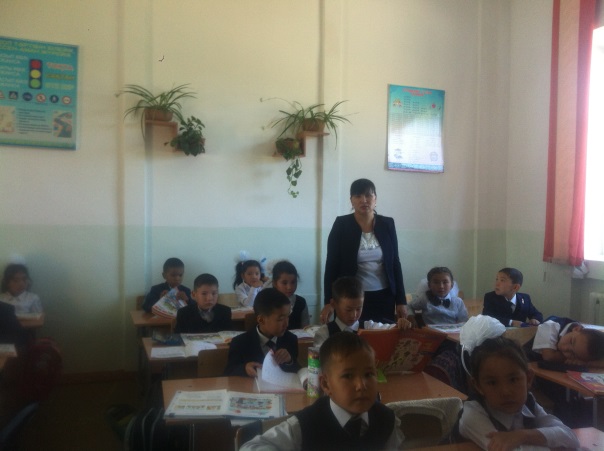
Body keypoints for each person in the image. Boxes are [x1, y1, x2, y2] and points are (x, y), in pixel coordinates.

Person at [240, 332, 403, 450]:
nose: (361, 385)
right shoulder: (306, 424)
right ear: (326, 384)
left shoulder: (386, 420)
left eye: (368, 374)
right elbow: (251, 447)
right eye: (348, 376)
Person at [458, 336, 579, 450]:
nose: (505, 392)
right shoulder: (472, 414)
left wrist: (523, 435)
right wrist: (547, 441)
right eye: (492, 383)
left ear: (528, 379)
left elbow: (570, 437)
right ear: (478, 386)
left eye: (513, 380)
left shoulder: (528, 404)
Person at [321, 178, 407, 326]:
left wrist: (401, 300)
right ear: (351, 200)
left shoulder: (387, 224)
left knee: (382, 335)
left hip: (384, 296)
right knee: (351, 337)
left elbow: (395, 263)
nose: (364, 200)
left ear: (375, 199)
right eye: (358, 196)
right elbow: (331, 265)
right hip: (350, 298)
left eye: (368, 195)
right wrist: (329, 301)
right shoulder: (341, 224)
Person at [224, 288, 299, 377]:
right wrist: (244, 369)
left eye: (288, 316)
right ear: (261, 320)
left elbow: (297, 371)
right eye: (281, 319)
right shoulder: (239, 343)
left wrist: (289, 361)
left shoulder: (290, 339)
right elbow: (229, 372)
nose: (287, 324)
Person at [531, 316, 604, 367]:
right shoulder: (551, 325)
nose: (565, 348)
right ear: (576, 329)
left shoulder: (580, 336)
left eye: (573, 354)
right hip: (528, 367)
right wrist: (583, 362)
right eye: (572, 342)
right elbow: (549, 356)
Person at [314, 277, 364, 347]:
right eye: (348, 310)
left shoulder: (369, 327)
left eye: (358, 309)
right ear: (334, 304)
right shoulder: (324, 333)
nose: (354, 315)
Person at [271, 260, 309, 330]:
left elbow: (305, 328)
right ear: (274, 283)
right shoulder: (268, 301)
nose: (289, 287)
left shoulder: (301, 302)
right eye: (284, 283)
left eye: (293, 282)